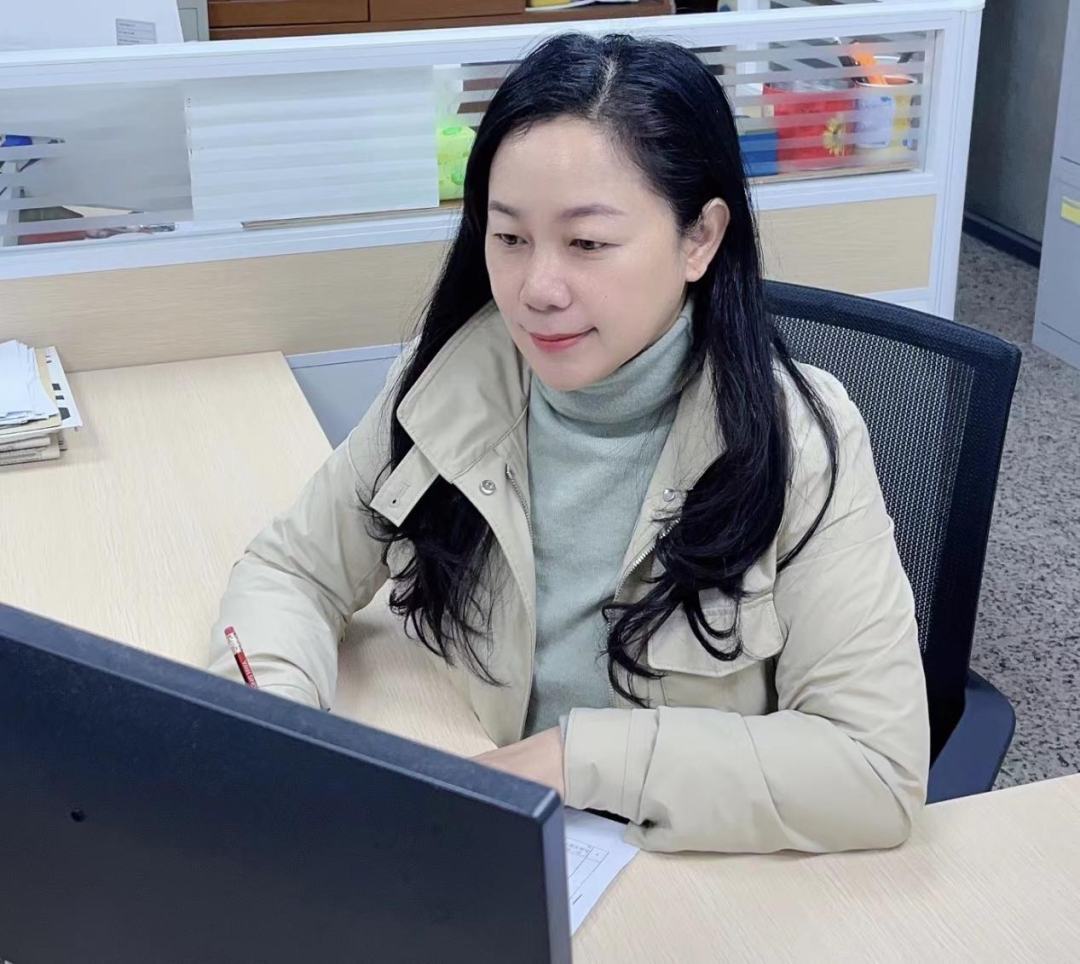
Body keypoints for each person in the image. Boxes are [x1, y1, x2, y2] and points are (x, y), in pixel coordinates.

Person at [209, 33, 929, 854]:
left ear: (699, 238)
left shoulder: (799, 441)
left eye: (587, 244)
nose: (537, 290)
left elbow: (874, 769)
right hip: (474, 831)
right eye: (509, 238)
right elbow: (295, 571)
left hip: (679, 867)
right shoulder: (447, 383)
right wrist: (275, 728)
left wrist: (573, 761)